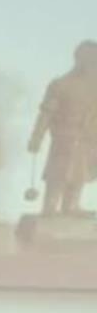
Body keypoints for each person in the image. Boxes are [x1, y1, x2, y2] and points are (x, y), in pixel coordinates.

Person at [27, 40, 97, 216]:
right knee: (59, 173)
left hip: (88, 139)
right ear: (80, 59)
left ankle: (71, 206)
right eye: (90, 59)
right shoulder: (60, 85)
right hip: (65, 138)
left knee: (80, 174)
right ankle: (50, 207)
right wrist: (36, 138)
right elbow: (46, 114)